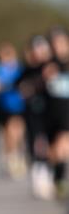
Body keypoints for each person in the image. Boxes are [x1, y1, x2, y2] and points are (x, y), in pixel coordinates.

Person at [18, 34, 54, 199]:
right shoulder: (27, 69)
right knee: (36, 144)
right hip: (32, 114)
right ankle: (39, 175)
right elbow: (20, 88)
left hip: (52, 114)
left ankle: (52, 176)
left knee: (49, 145)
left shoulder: (54, 67)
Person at [0, 42, 26, 178]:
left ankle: (15, 155)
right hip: (4, 106)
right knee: (8, 134)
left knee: (17, 132)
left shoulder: (19, 68)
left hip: (18, 105)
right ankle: (10, 158)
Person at [43, 26, 69, 198]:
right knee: (53, 151)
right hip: (51, 113)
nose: (58, 47)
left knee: (63, 145)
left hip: (67, 113)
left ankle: (60, 180)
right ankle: (56, 177)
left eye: (60, 43)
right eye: (54, 44)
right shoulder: (47, 65)